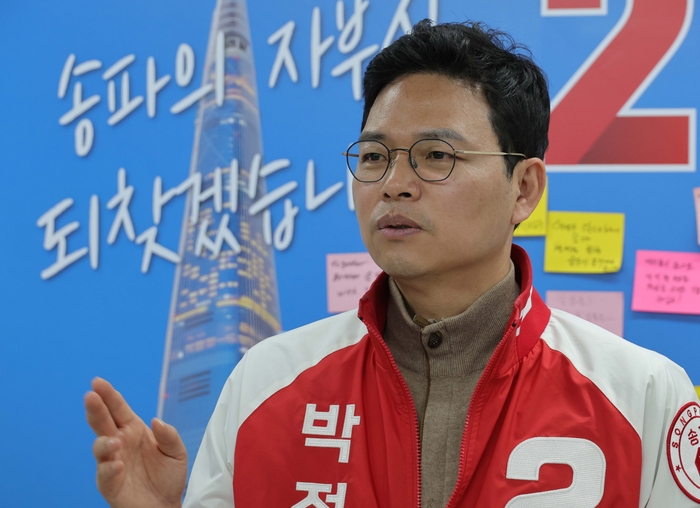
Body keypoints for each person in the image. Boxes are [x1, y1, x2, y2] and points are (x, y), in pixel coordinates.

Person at [85, 20, 700, 508]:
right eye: (375, 156)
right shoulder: (266, 382)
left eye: (436, 155)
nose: (394, 183)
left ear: (524, 189)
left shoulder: (641, 394)